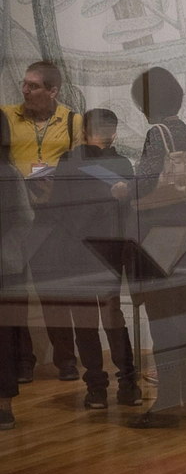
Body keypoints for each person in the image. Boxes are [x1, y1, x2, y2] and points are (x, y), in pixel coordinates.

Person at [119, 67, 186, 428]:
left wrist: (121, 189)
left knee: (162, 323)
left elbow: (143, 184)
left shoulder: (156, 134)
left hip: (161, 238)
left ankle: (167, 404)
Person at [28, 108, 141, 409]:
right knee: (103, 316)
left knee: (95, 318)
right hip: (97, 249)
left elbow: (60, 207)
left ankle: (106, 385)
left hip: (89, 250)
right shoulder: (114, 163)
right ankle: (118, 383)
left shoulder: (85, 161)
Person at [1, 60, 83, 382]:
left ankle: (67, 360)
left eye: (33, 86)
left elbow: (77, 170)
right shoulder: (7, 115)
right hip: (15, 215)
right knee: (15, 293)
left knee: (53, 292)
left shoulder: (73, 121)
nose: (25, 90)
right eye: (24, 84)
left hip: (54, 217)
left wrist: (52, 180)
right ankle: (22, 362)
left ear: (53, 91)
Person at [0, 109, 34, 429]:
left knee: (5, 339)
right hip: (8, 265)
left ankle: (4, 405)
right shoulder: (9, 171)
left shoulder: (8, 173)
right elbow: (25, 219)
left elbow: (24, 219)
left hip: (5, 267)